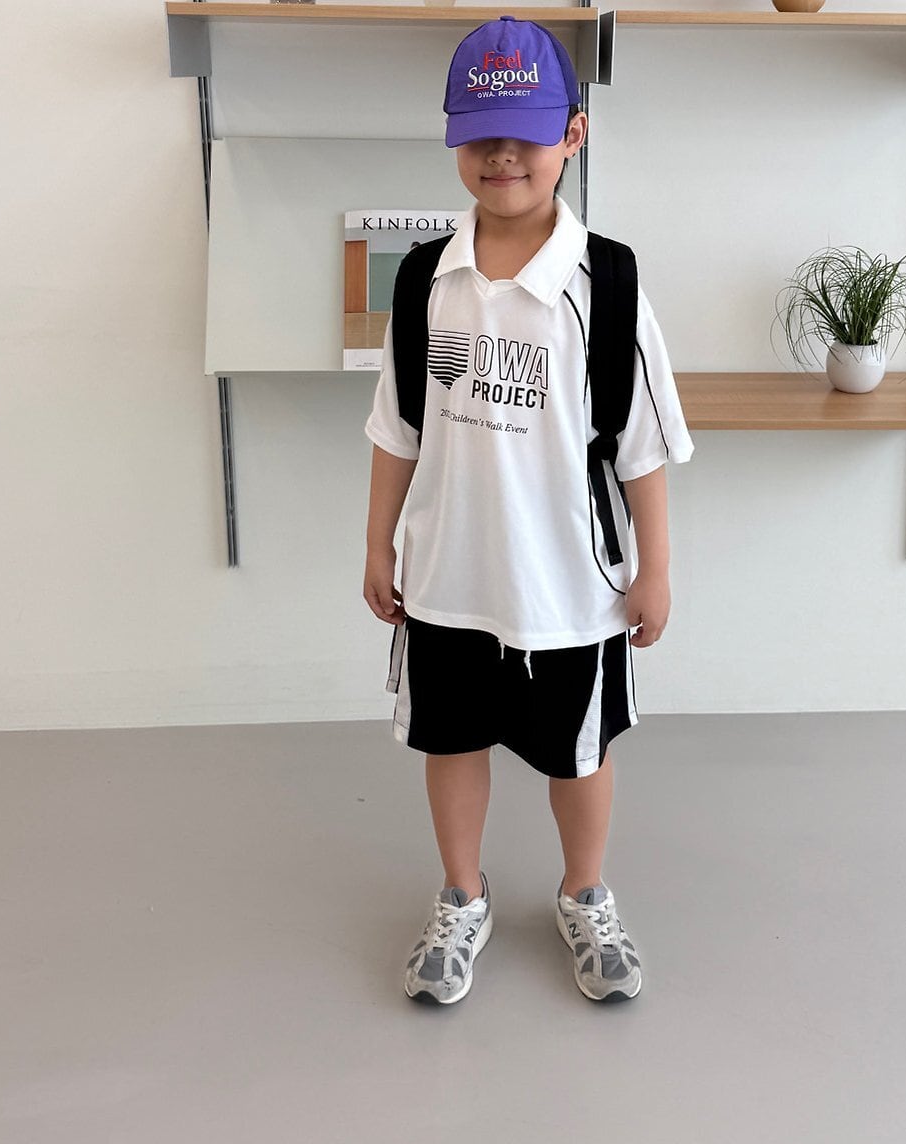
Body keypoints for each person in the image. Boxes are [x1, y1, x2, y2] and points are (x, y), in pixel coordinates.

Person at [362, 15, 694, 1005]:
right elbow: (397, 428)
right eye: (480, 134)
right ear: (454, 139)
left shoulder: (608, 283)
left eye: (528, 134)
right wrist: (378, 545)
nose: (502, 156)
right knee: (451, 741)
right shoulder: (425, 278)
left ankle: (585, 891)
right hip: (448, 575)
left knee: (578, 753)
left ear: (572, 135)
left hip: (571, 586)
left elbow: (642, 448)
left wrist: (656, 568)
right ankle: (462, 894)